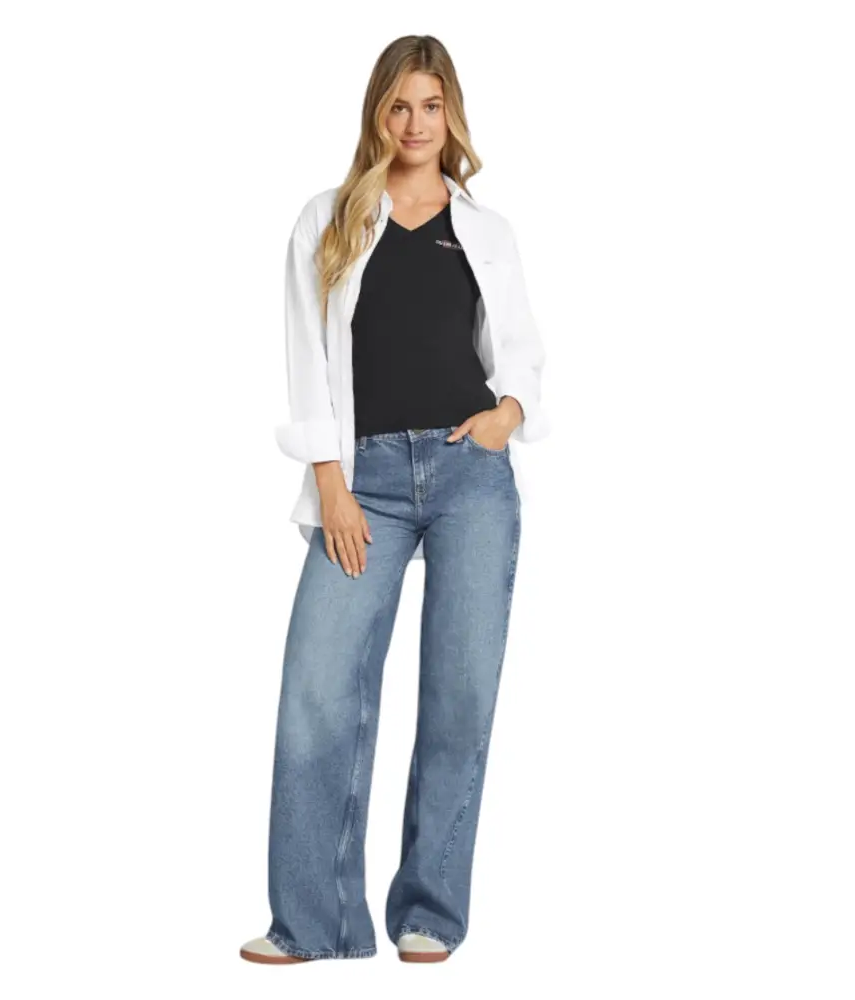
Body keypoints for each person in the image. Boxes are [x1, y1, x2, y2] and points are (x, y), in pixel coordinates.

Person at [240, 34, 550, 965]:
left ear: (451, 114)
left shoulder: (486, 229)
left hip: (469, 477)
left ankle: (429, 912)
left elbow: (522, 353)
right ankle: (313, 922)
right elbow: (307, 363)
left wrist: (505, 416)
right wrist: (330, 485)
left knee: (460, 696)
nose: (416, 124)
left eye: (431, 106)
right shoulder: (329, 219)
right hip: (362, 482)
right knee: (316, 692)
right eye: (399, 106)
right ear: (377, 113)